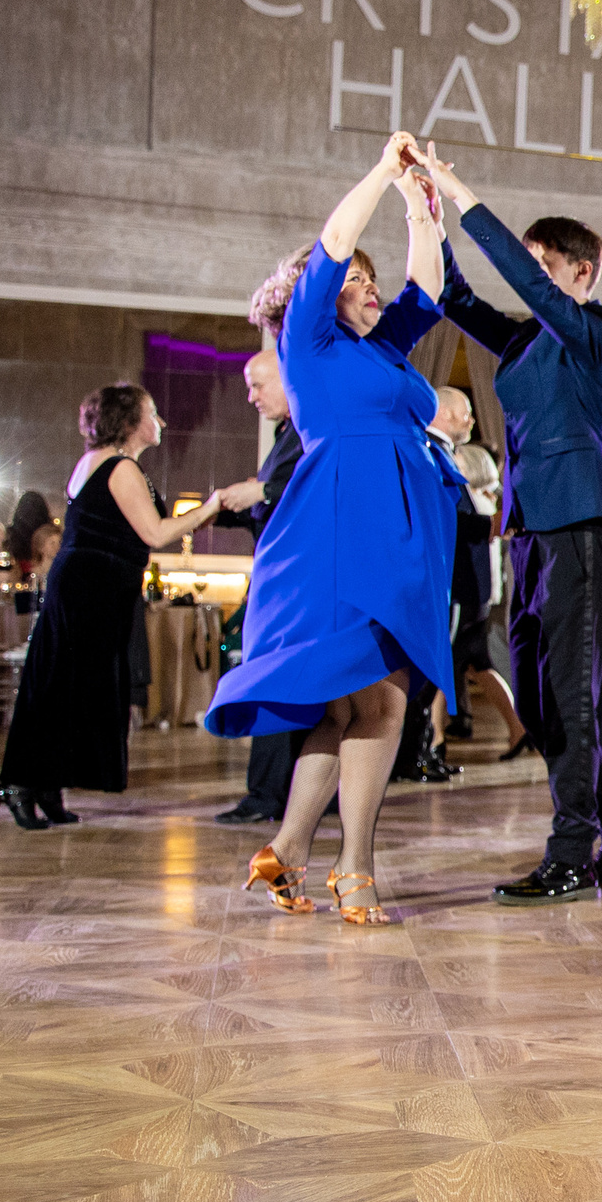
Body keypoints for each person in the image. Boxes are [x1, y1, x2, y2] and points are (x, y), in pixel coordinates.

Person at [202, 139, 458, 929]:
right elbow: (336, 241)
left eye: (371, 284)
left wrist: (422, 205)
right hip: (345, 529)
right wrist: (384, 172)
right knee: (382, 696)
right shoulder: (306, 343)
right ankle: (356, 867)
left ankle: (284, 846)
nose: (371, 289)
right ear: (317, 297)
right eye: (356, 282)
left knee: (348, 709)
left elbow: (430, 285)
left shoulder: (381, 345)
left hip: (397, 530)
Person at [415, 152, 602, 903]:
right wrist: (423, 210)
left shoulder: (598, 331)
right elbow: (453, 295)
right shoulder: (525, 343)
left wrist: (461, 191)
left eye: (541, 264)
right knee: (536, 697)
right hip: (528, 536)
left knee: (573, 697)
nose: (529, 277)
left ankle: (571, 852)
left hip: (581, 534)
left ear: (581, 272)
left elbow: (528, 288)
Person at [0, 384, 205, 828]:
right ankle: (22, 784)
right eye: (153, 414)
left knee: (68, 688)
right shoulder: (119, 466)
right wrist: (212, 507)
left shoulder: (103, 463)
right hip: (90, 589)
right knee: (64, 687)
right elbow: (155, 533)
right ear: (129, 423)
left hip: (91, 588)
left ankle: (46, 785)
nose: (161, 423)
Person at [208, 350, 312, 824]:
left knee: (275, 683)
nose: (250, 397)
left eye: (258, 385)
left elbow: (315, 487)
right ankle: (282, 793)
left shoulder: (311, 428)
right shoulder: (287, 434)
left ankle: (268, 795)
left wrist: (263, 492)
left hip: (295, 581)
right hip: (283, 577)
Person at [393, 385, 480, 783]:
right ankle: (411, 757)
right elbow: (450, 517)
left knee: (432, 675)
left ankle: (421, 752)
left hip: (447, 582)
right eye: (466, 414)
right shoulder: (428, 451)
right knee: (424, 672)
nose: (472, 422)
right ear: (444, 414)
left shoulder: (439, 452)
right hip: (438, 581)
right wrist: (493, 524)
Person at [445, 439, 526, 756]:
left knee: (453, 664)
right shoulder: (485, 502)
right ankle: (517, 727)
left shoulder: (476, 503)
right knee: (478, 665)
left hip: (470, 592)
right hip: (480, 592)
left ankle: (437, 738)